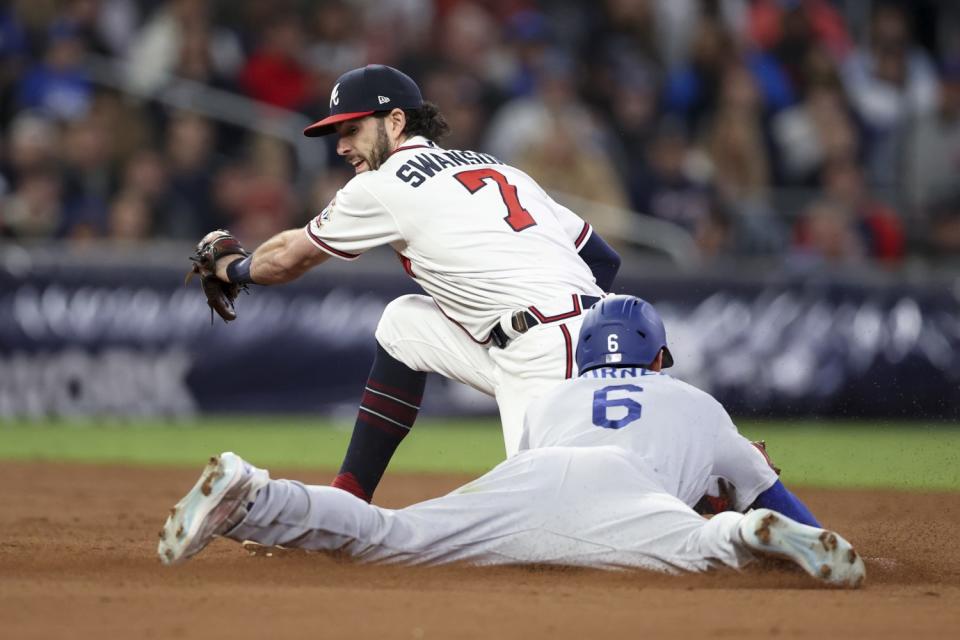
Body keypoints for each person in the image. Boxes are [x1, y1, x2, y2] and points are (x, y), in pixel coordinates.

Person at [157, 296, 866, 588]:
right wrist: (799, 524)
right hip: (630, 494)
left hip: (532, 478)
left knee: (386, 531)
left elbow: (545, 483)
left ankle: (255, 497)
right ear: (657, 359)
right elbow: (777, 491)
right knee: (708, 549)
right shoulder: (700, 404)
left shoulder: (555, 396)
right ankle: (746, 535)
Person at [199, 64, 621, 503]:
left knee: (557, 523)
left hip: (551, 352)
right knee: (404, 324)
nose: (341, 146)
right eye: (337, 133)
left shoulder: (382, 184)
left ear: (395, 121)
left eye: (352, 129)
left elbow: (288, 258)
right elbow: (602, 258)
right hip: (576, 338)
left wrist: (233, 269)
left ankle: (690, 507)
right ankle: (349, 498)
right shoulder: (498, 167)